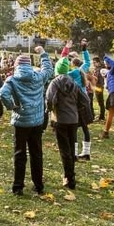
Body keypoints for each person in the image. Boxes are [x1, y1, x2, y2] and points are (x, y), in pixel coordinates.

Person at [0, 46, 53, 196]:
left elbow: (2, 94)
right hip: (36, 121)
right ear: (29, 65)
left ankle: (18, 186)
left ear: (16, 65)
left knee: (20, 153)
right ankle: (38, 185)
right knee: (36, 153)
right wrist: (42, 53)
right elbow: (48, 69)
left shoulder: (12, 80)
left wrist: (12, 107)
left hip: (21, 122)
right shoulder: (39, 77)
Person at [46, 61, 81, 190]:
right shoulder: (74, 83)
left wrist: (50, 109)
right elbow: (84, 99)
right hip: (73, 119)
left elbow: (49, 99)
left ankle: (69, 177)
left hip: (60, 119)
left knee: (64, 149)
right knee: (71, 147)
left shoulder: (54, 83)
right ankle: (71, 175)